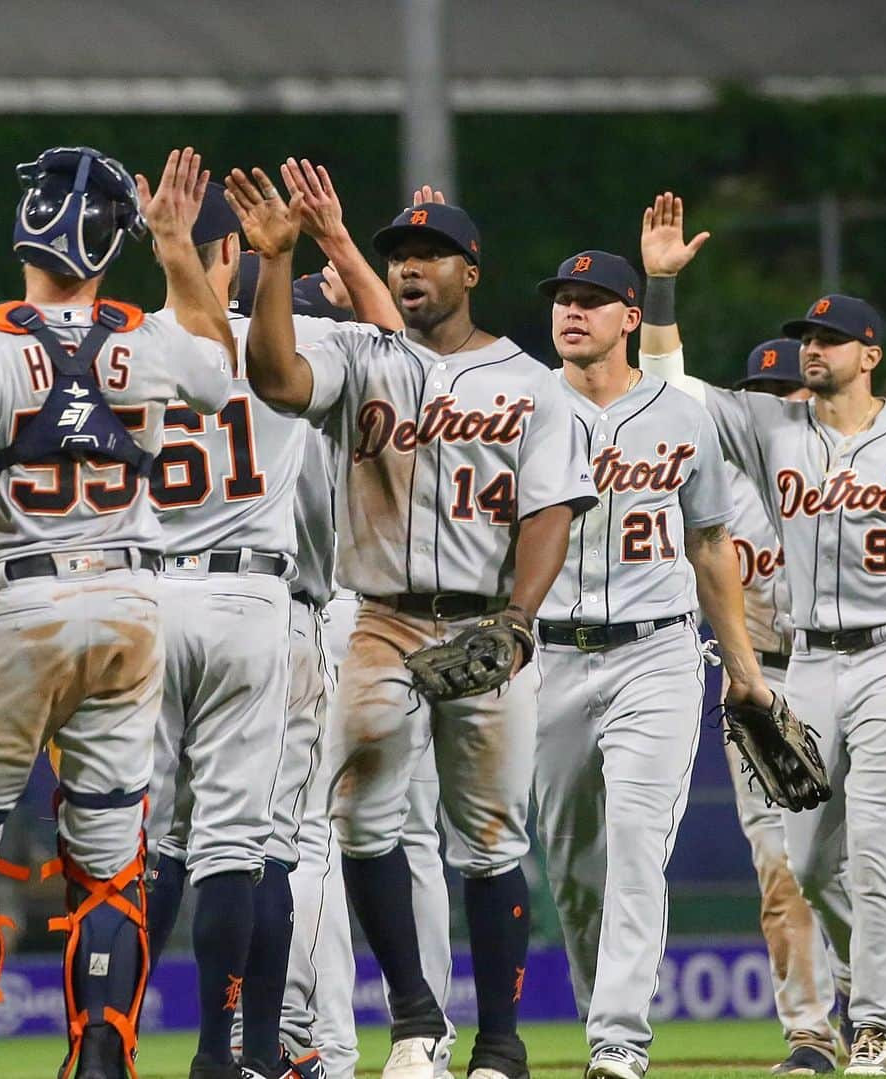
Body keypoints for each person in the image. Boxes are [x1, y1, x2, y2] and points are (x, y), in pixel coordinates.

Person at [224, 163, 597, 1079]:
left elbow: (549, 509)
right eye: (399, 255)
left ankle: (502, 1042)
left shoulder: (533, 383)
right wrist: (277, 263)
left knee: (491, 838)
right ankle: (418, 1019)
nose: (410, 267)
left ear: (472, 270)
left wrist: (519, 617)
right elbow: (274, 377)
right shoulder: (361, 359)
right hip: (380, 620)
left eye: (430, 253)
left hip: (486, 628)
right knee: (361, 821)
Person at [0, 145, 231, 1079]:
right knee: (109, 852)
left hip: (24, 602)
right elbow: (220, 369)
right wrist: (176, 253)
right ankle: (102, 1061)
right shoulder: (154, 335)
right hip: (132, 598)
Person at [638, 193, 886, 1078]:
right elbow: (670, 391)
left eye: (828, 340)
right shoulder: (773, 428)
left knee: (872, 841)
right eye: (806, 341)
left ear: (870, 353)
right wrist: (661, 290)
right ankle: (863, 994)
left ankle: (872, 1025)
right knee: (808, 860)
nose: (812, 350)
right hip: (811, 663)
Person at [142, 167, 394, 1079]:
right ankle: (234, 1053)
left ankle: (110, 1039)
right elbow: (399, 348)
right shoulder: (290, 341)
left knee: (159, 842)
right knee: (261, 847)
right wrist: (319, 245)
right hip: (261, 604)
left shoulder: (129, 348)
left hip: (153, 601)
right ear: (228, 251)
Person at [531, 222, 779, 1079]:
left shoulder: (683, 415)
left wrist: (742, 667)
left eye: (591, 300)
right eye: (563, 299)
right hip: (548, 657)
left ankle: (618, 1046)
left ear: (629, 316)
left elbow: (712, 547)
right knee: (569, 870)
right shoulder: (525, 406)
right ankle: (604, 1019)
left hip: (658, 656)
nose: (572, 311)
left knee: (638, 844)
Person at [720, 338, 843, 1075]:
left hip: (840, 669)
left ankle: (867, 1012)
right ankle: (808, 1035)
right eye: (758, 390)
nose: (772, 401)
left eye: (785, 388)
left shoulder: (845, 471)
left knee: (846, 861)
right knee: (780, 868)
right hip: (757, 681)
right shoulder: (716, 487)